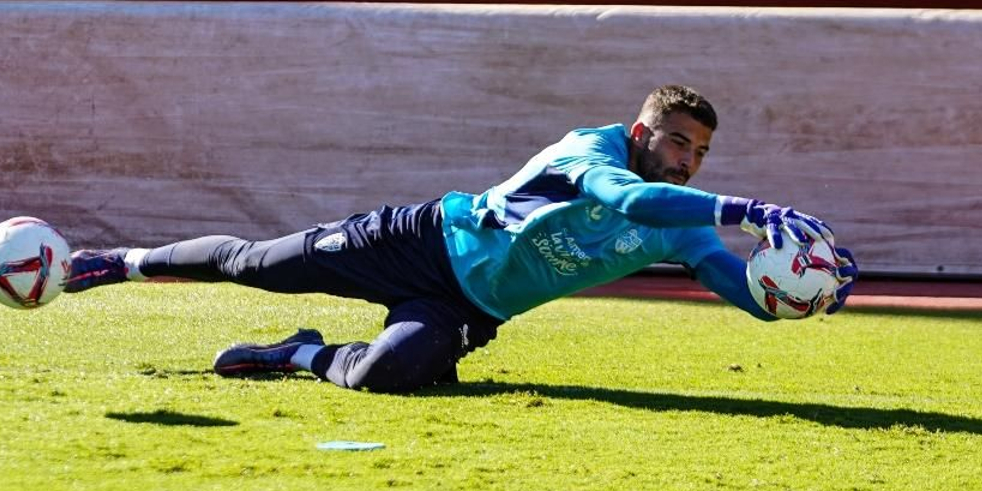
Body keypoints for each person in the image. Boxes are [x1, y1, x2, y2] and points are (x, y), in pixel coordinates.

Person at [63, 85, 857, 393]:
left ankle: (298, 353)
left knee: (386, 377)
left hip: (471, 306)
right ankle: (120, 261)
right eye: (680, 143)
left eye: (701, 154)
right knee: (257, 265)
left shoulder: (681, 223)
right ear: (644, 130)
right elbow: (628, 199)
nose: (688, 162)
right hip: (422, 242)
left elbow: (737, 286)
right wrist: (745, 205)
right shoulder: (595, 151)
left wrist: (795, 295)